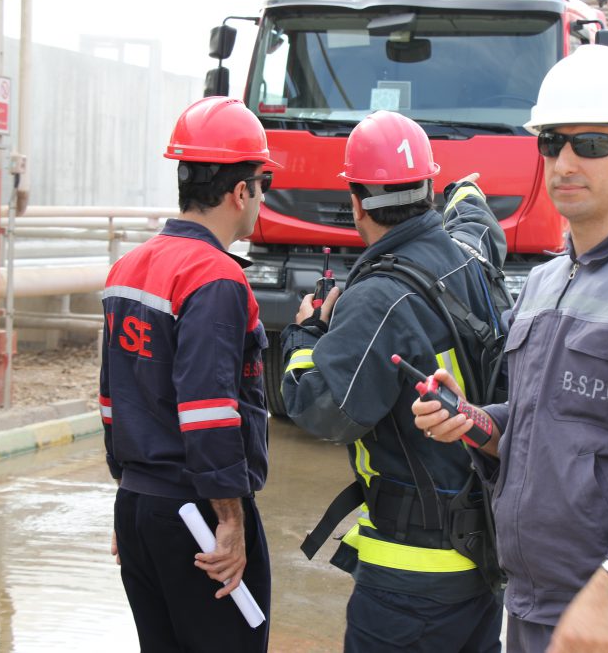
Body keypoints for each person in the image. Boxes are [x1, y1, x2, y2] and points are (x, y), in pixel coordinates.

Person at [413, 45, 608, 653]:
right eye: (551, 142)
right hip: (536, 602)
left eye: (588, 144)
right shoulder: (545, 282)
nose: (564, 162)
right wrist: (475, 422)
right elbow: (543, 427)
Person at [280, 110, 507, 652]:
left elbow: (323, 409)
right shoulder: (468, 260)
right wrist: (466, 193)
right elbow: (479, 227)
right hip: (481, 556)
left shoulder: (377, 299)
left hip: (411, 578)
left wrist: (306, 335)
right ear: (428, 189)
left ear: (357, 202)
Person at [99, 96, 277, 652]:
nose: (262, 198)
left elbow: (111, 399)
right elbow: (208, 410)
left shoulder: (128, 267)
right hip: (197, 515)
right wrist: (230, 519)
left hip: (139, 506)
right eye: (263, 184)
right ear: (241, 191)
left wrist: (130, 494)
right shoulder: (215, 276)